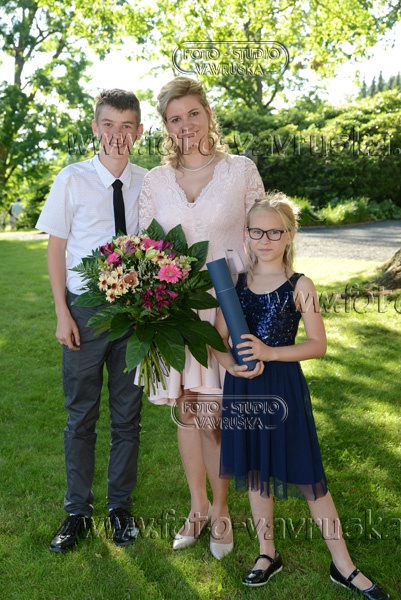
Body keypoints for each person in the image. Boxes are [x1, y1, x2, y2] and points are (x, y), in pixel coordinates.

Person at [212, 192, 390, 598]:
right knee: (256, 472)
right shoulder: (235, 285)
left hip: (283, 387)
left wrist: (270, 352)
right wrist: (229, 363)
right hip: (244, 388)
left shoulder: (300, 285)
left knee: (309, 476)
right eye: (257, 231)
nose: (265, 240)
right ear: (246, 234)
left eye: (275, 232)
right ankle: (267, 553)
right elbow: (217, 339)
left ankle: (343, 566)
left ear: (290, 235)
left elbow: (317, 344)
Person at [138, 76, 265, 559]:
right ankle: (197, 507)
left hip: (227, 308)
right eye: (175, 118)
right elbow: (144, 246)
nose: (186, 124)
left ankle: (222, 512)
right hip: (173, 311)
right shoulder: (155, 180)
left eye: (193, 113)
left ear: (209, 113)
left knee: (215, 415)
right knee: (187, 410)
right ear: (166, 127)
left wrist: (236, 297)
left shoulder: (241, 170)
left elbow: (261, 239)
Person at [36, 89, 147, 553]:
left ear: (139, 131)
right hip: (83, 311)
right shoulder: (72, 179)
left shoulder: (148, 182)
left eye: (127, 126)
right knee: (81, 415)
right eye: (108, 124)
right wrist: (62, 312)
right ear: (95, 127)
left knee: (128, 417)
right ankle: (77, 511)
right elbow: (56, 248)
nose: (117, 134)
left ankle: (119, 508)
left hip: (133, 315)